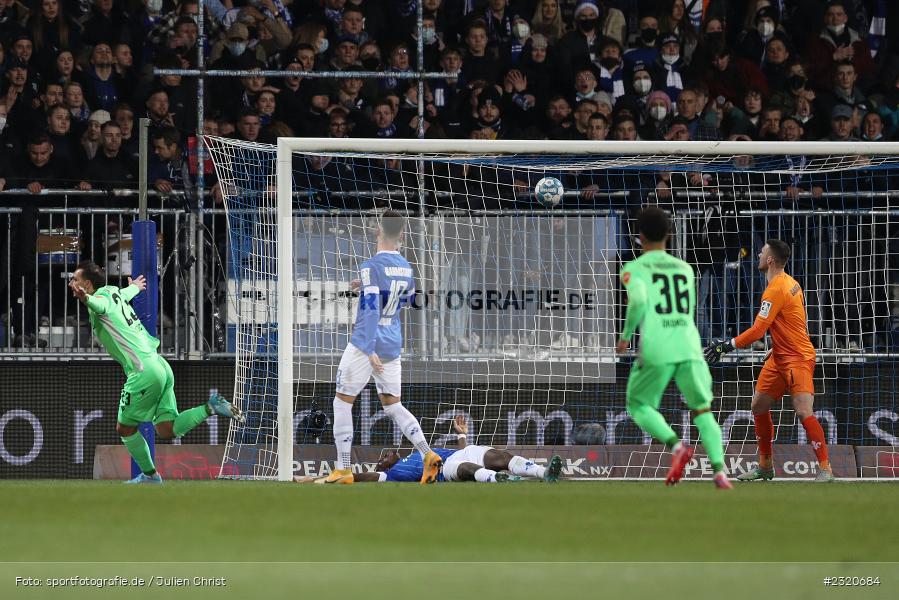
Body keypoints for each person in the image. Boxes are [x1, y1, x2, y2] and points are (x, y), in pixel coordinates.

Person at [67, 261, 245, 484]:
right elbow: (125, 292)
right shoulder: (114, 292)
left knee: (125, 428)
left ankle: (151, 476)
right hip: (160, 365)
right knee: (166, 430)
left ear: (88, 284)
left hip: (143, 371)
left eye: (75, 279)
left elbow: (99, 305)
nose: (71, 282)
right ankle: (211, 407)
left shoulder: (99, 299)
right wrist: (136, 287)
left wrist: (86, 299)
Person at [323, 211, 443, 485]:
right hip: (392, 341)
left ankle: (343, 469)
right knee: (393, 405)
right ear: (401, 234)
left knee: (342, 402)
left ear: (377, 231)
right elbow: (408, 300)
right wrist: (364, 287)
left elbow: (370, 310)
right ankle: (426, 453)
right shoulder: (406, 267)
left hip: (369, 343)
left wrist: (368, 348)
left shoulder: (370, 266)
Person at [617, 207, 731, 489]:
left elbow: (640, 302)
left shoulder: (633, 268)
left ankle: (676, 447)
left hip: (657, 343)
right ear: (669, 235)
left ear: (639, 237)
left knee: (638, 404)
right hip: (689, 344)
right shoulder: (685, 268)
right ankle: (719, 471)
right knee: (702, 411)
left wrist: (626, 335)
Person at [704, 240, 833, 482]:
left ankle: (825, 468)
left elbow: (757, 331)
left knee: (804, 411)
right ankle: (765, 466)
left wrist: (725, 346)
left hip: (798, 358)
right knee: (758, 406)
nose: (758, 254)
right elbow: (791, 323)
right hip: (779, 356)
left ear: (770, 260)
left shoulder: (776, 289)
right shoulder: (791, 283)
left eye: (762, 252)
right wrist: (776, 346)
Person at [302, 416, 564, 484]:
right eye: (383, 457)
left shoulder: (419, 452)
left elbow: (463, 450)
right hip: (444, 470)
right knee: (466, 469)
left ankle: (544, 473)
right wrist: (317, 478)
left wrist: (462, 437)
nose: (387, 455)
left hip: (461, 451)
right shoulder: (391, 475)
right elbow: (355, 477)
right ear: (382, 467)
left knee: (499, 456)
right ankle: (499, 479)